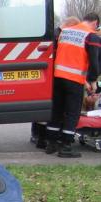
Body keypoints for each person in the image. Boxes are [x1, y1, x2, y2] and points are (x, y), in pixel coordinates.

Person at [45, 13, 101, 158]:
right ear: (95, 23)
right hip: (74, 80)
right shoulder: (91, 36)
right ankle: (66, 146)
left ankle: (51, 143)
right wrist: (93, 80)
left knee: (57, 110)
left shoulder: (66, 31)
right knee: (72, 113)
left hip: (58, 77)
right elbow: (94, 62)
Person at [32, 16, 81, 149]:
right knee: (56, 109)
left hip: (47, 75)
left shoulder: (52, 34)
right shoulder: (60, 36)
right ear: (70, 25)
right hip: (53, 76)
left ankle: (39, 137)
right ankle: (42, 138)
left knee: (47, 109)